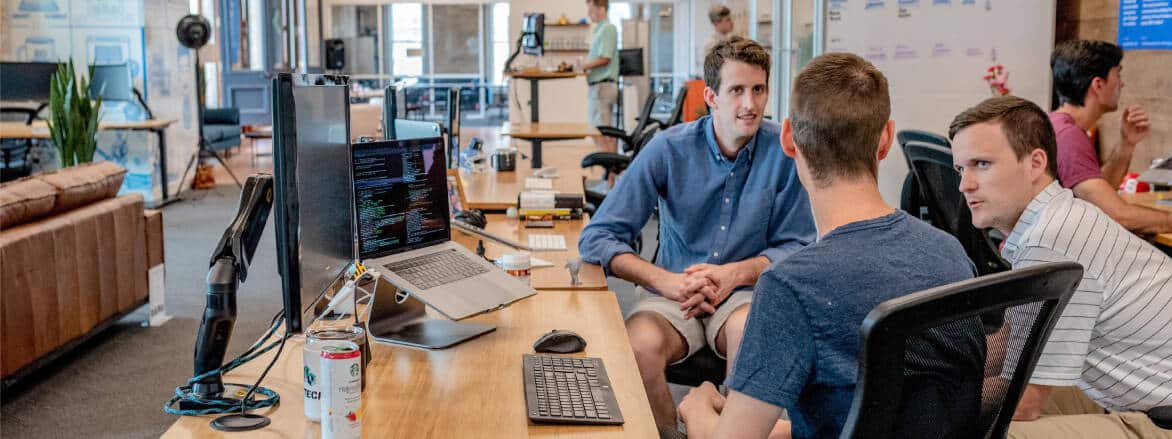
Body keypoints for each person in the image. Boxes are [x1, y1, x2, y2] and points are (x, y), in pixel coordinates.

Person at [677, 52, 986, 439]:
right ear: (886, 139)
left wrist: (698, 408)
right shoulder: (950, 253)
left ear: (789, 139)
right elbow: (881, 413)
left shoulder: (792, 286)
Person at [578, 36, 816, 432]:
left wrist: (736, 274)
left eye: (758, 90)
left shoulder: (785, 152)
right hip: (672, 291)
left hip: (744, 294)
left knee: (751, 337)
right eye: (736, 90)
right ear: (711, 96)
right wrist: (664, 281)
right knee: (637, 348)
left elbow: (801, 245)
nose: (750, 104)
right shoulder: (668, 150)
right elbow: (598, 236)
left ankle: (727, 433)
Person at [948, 95, 1172, 439]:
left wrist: (925, 404)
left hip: (1160, 420)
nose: (965, 185)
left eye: (982, 164)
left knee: (998, 431)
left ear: (1036, 163)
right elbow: (1013, 343)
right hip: (1139, 398)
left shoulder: (1050, 240)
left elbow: (1025, 404)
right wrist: (938, 374)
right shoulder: (1055, 219)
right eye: (961, 169)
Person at [1048, 40, 1170, 234]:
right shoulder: (1068, 137)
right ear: (1098, 84)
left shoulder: (1060, 125)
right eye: (1118, 74)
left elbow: (1098, 194)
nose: (1122, 83)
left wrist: (1126, 144)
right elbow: (1118, 215)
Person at [582, 0, 619, 153]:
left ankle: (611, 175)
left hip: (603, 87)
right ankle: (609, 172)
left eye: (591, 11)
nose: (589, 15)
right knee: (599, 132)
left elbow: (605, 58)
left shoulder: (608, 29)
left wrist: (583, 66)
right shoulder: (599, 30)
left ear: (602, 9)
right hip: (597, 87)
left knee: (604, 133)